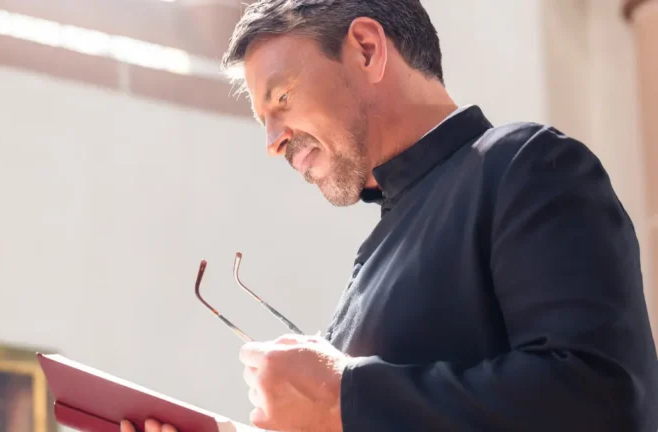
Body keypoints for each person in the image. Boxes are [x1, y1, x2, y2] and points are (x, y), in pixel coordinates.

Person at [121, 0, 658, 431]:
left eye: (281, 97)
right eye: (264, 121)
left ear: (366, 48)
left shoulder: (525, 165)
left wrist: (344, 398)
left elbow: (603, 399)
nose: (272, 141)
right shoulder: (370, 261)